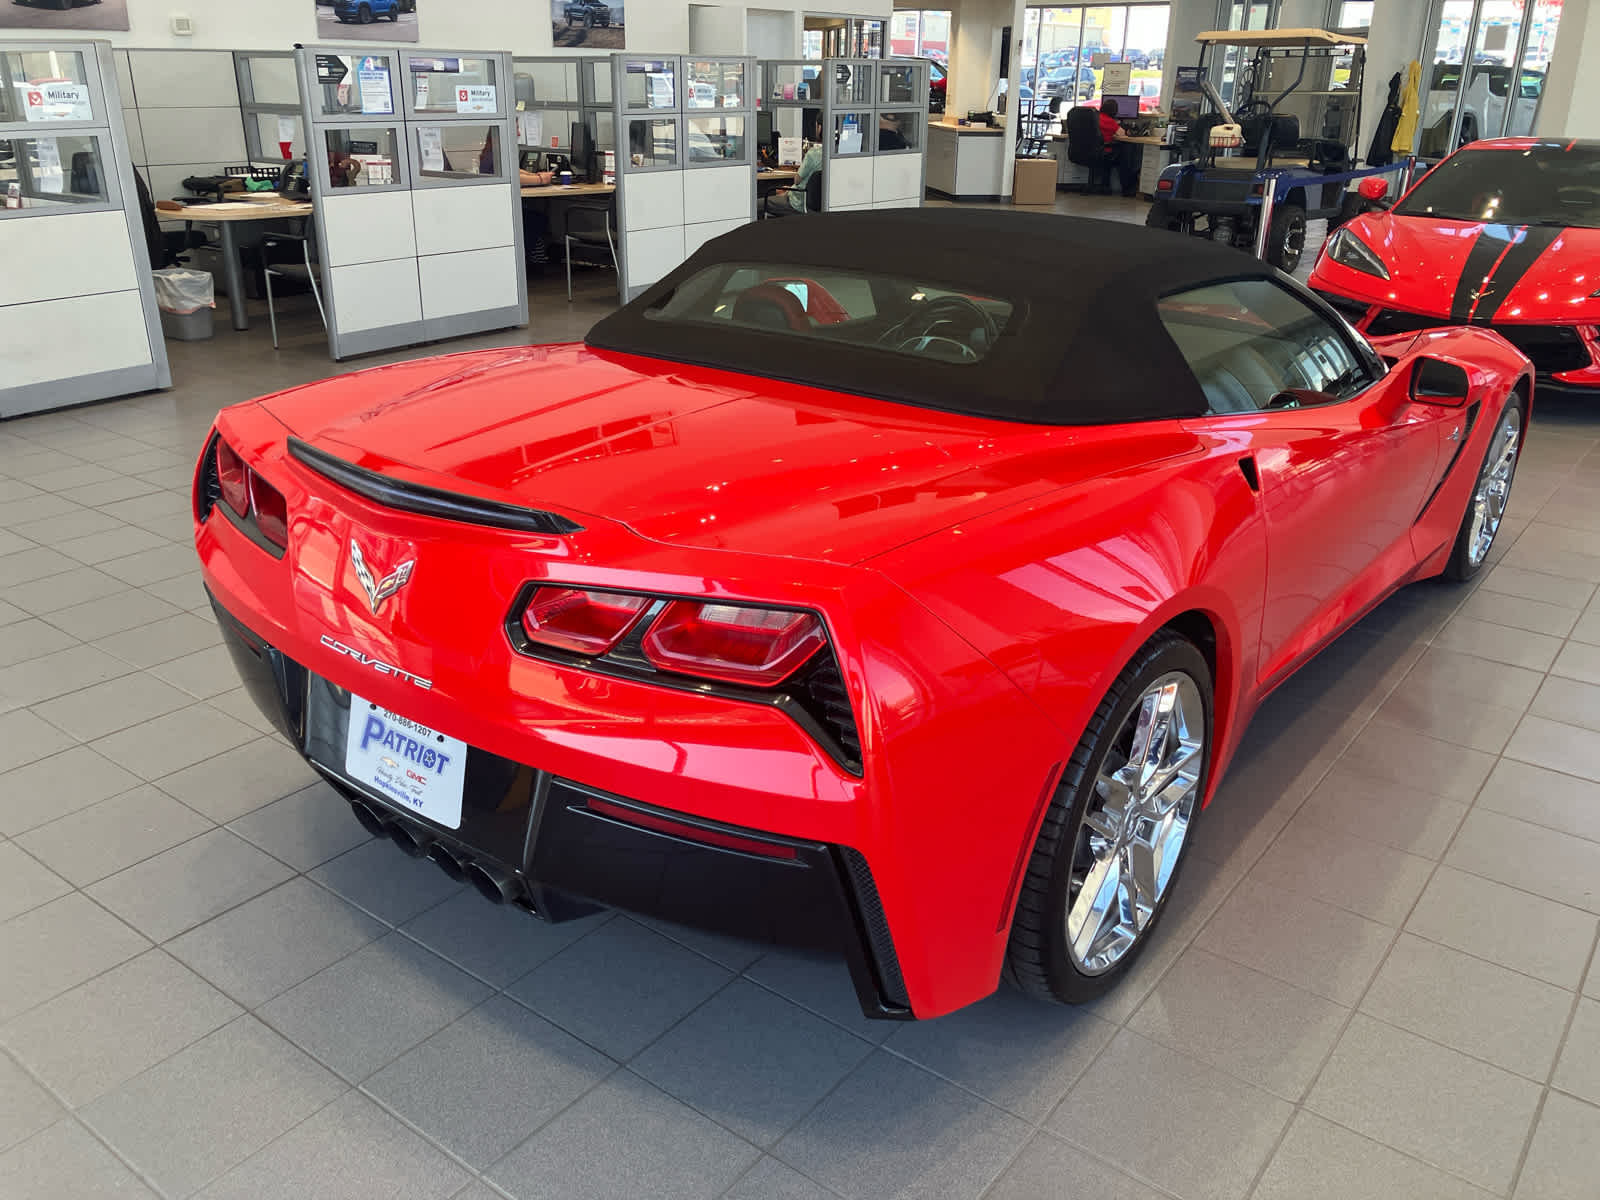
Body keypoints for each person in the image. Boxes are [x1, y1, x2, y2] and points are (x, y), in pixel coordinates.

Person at [762, 108, 823, 217]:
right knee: (779, 191)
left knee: (757, 204)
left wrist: (788, 191)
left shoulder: (814, 153)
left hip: (798, 203)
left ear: (819, 128)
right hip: (818, 205)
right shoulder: (835, 155)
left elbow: (797, 180)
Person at [1097, 97, 1140, 198]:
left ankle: (1105, 185)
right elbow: (1123, 134)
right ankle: (1127, 188)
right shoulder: (1110, 122)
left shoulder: (1095, 117)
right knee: (1126, 154)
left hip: (1093, 150)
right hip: (1106, 150)